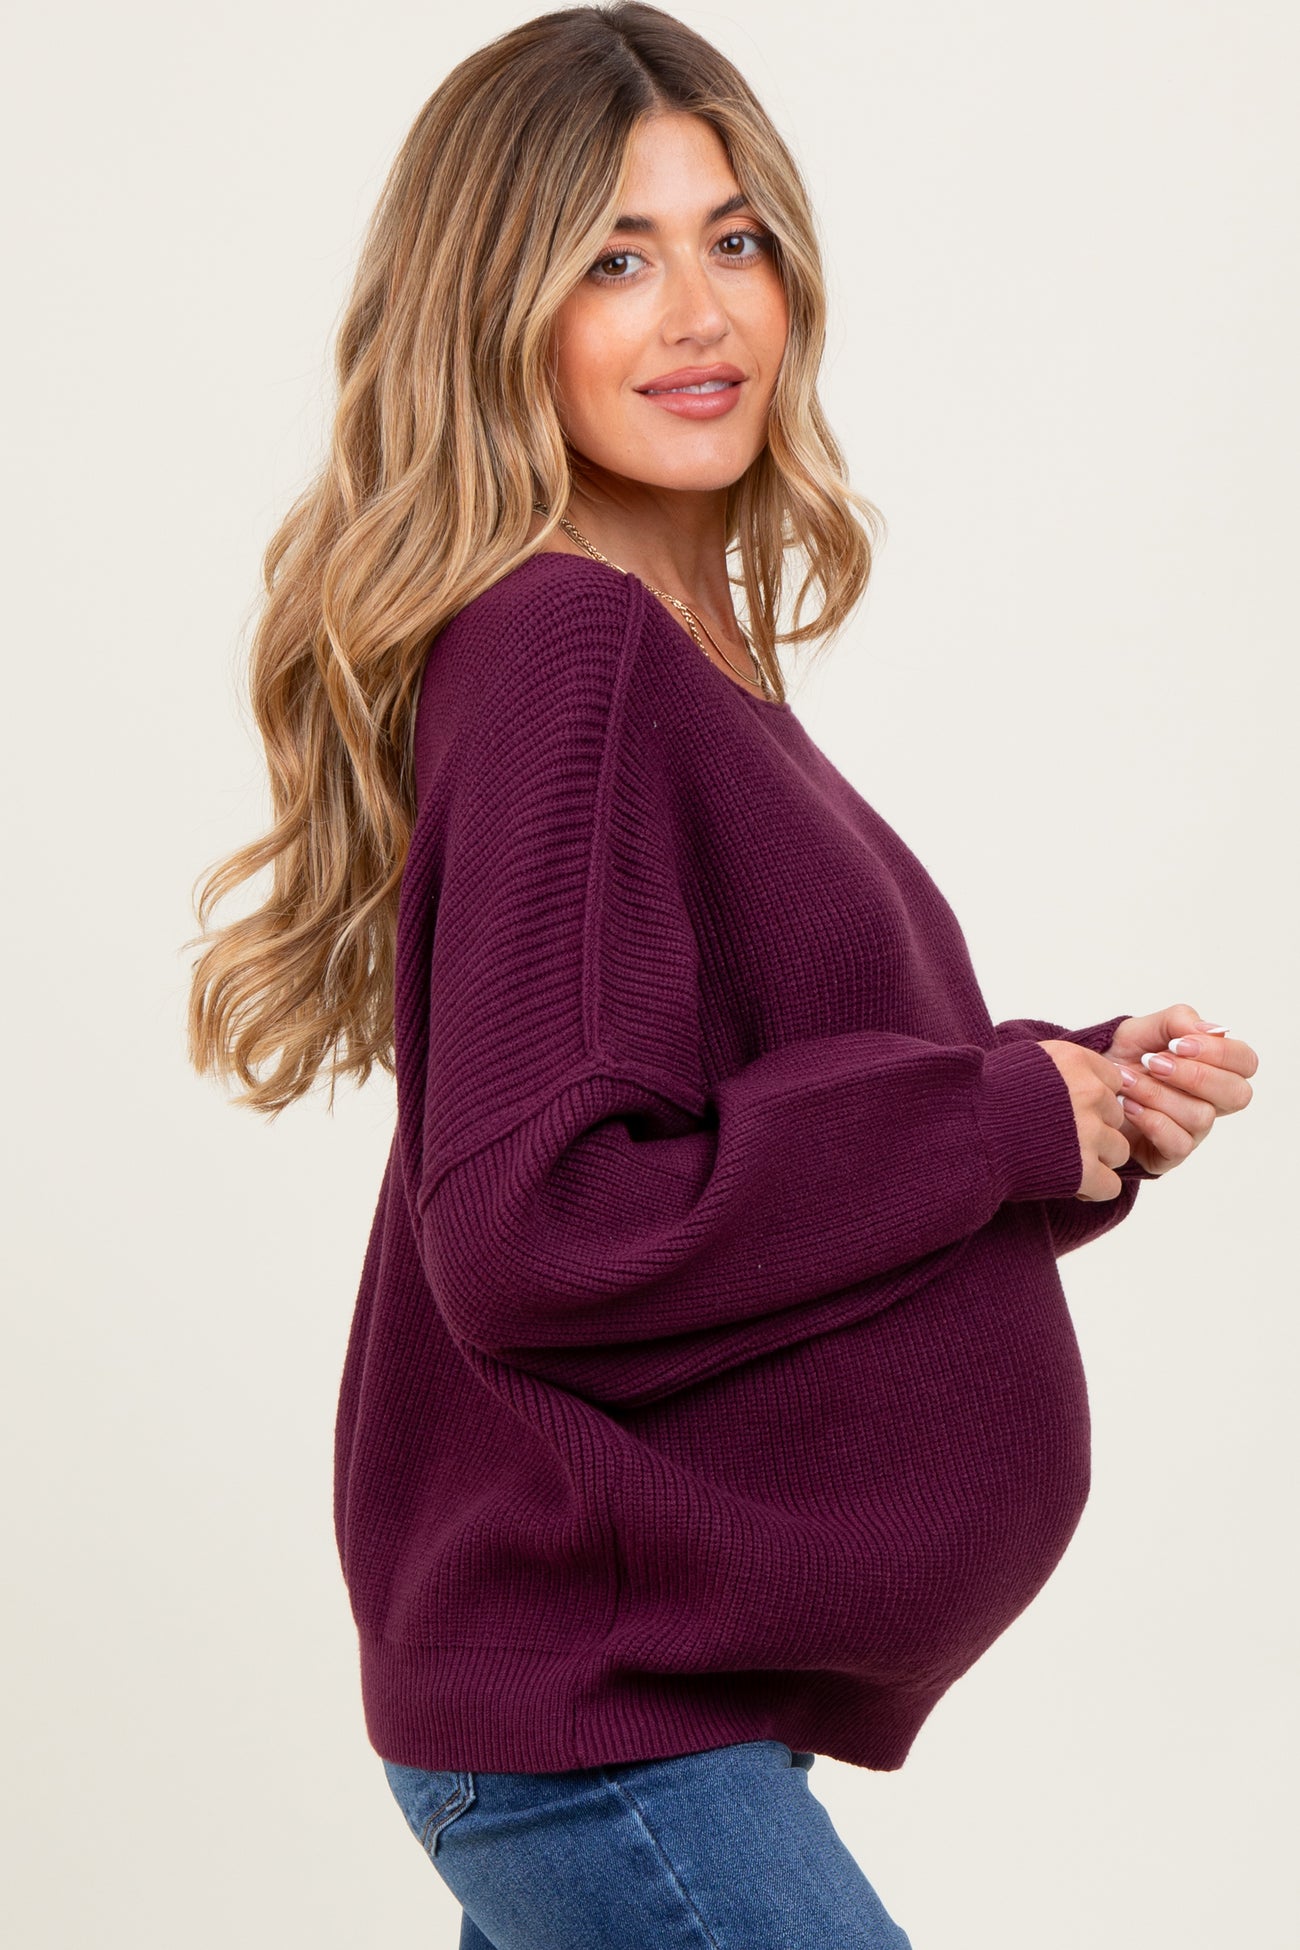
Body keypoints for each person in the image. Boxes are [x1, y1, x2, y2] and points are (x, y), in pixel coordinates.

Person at [185, 6, 1257, 1944]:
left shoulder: (659, 647)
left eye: (733, 238)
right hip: (605, 1730)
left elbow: (726, 1133)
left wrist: (1060, 1102)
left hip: (642, 1715)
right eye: (615, 258)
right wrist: (990, 1119)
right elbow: (531, 1226)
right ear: (495, 311)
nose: (699, 313)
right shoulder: (569, 650)